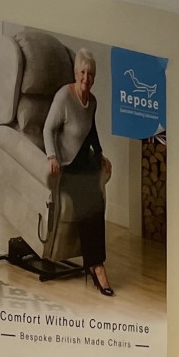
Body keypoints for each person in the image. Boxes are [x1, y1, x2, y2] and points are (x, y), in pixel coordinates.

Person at [43, 49, 114, 295]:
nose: (86, 78)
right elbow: (48, 129)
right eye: (83, 72)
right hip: (67, 165)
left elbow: (91, 130)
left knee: (97, 202)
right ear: (75, 73)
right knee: (87, 203)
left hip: (84, 160)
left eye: (91, 74)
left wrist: (101, 154)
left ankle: (95, 264)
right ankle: (96, 266)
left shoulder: (92, 102)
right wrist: (52, 156)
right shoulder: (64, 97)